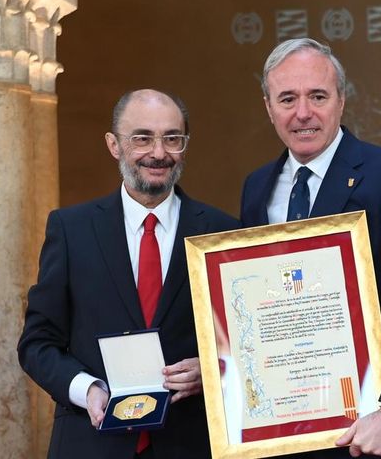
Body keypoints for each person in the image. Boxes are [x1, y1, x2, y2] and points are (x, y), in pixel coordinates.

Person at [240, 38, 381, 458]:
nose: (302, 112)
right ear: (269, 107)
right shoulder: (257, 189)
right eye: (287, 98)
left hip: (372, 437)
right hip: (281, 436)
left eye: (317, 96)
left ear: (341, 101)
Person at [18, 89, 238, 459]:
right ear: (114, 145)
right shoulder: (71, 230)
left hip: (194, 443)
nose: (158, 152)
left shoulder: (222, 232)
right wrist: (86, 388)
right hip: (91, 443)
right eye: (142, 138)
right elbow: (37, 344)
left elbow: (248, 343)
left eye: (172, 138)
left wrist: (214, 369)